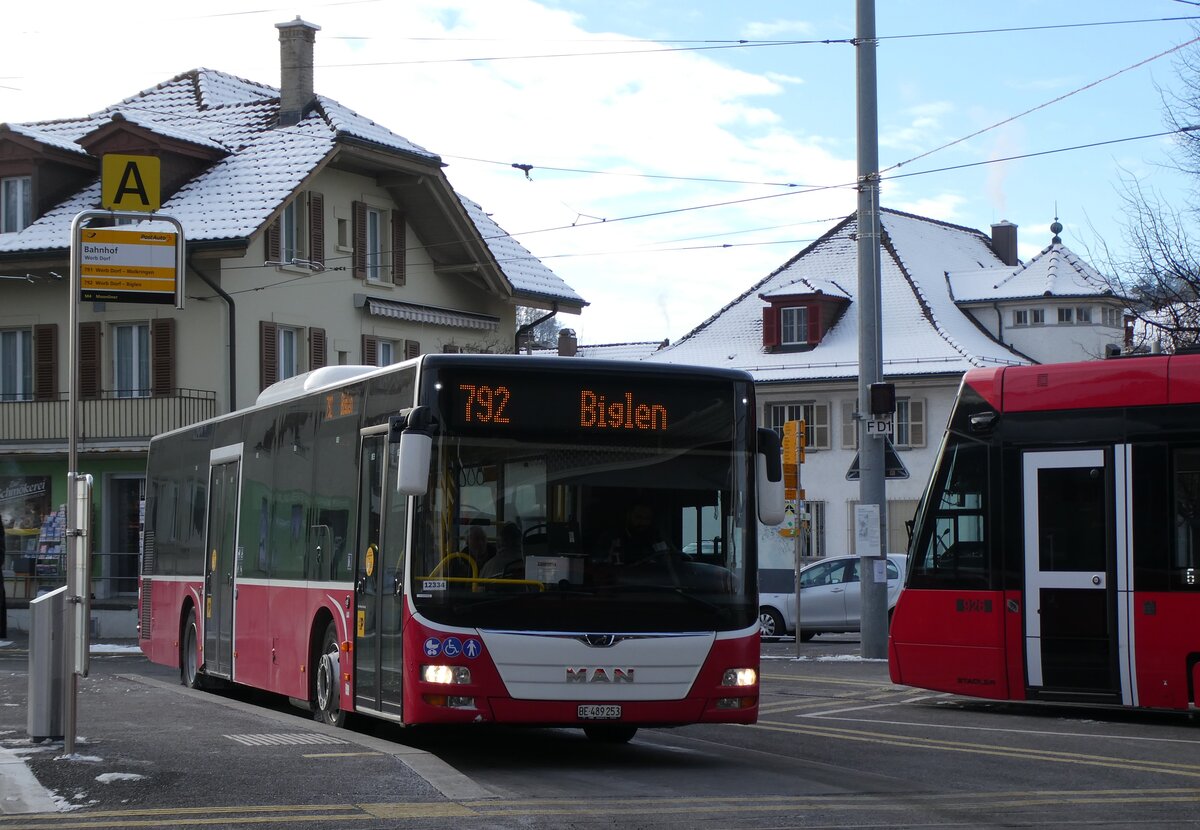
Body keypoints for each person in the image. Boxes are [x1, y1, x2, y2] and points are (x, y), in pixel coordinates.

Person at [602, 503, 671, 566]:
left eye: (647, 518)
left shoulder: (656, 539)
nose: (643, 522)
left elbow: (668, 560)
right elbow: (601, 561)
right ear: (629, 515)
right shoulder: (612, 537)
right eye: (638, 517)